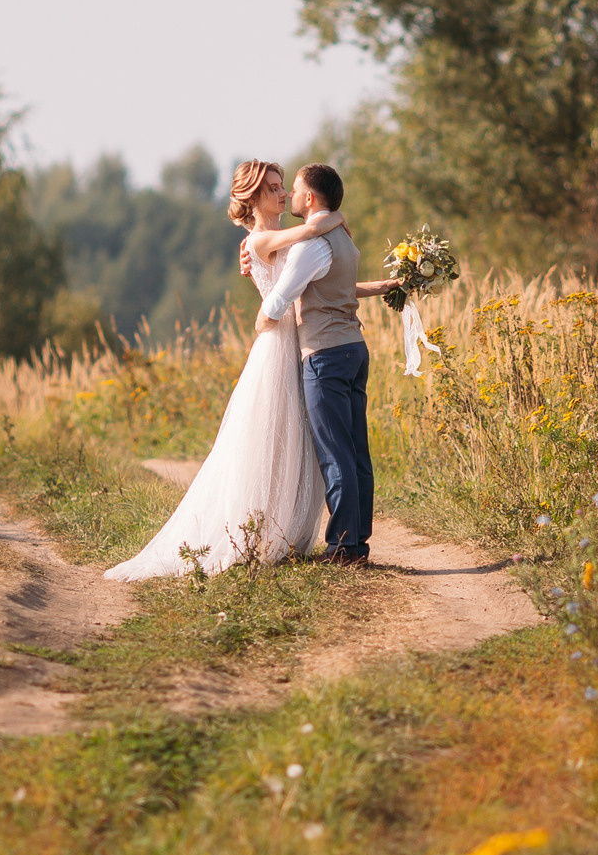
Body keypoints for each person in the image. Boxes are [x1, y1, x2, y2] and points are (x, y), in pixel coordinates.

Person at [102, 161, 332, 579]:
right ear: (254, 197)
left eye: (283, 187)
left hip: (294, 340)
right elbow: (308, 232)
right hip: (276, 347)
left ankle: (283, 529)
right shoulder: (261, 239)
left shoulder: (267, 240)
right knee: (269, 438)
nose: (282, 195)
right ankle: (257, 532)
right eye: (274, 189)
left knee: (294, 437)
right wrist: (330, 218)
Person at [245, 163, 388, 565]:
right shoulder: (344, 239)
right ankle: (357, 542)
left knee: (335, 453)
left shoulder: (311, 245)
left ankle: (343, 547)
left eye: (291, 188)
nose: (287, 194)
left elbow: (280, 298)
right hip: (354, 349)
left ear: (310, 198)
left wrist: (263, 319)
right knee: (357, 452)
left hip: (324, 354)